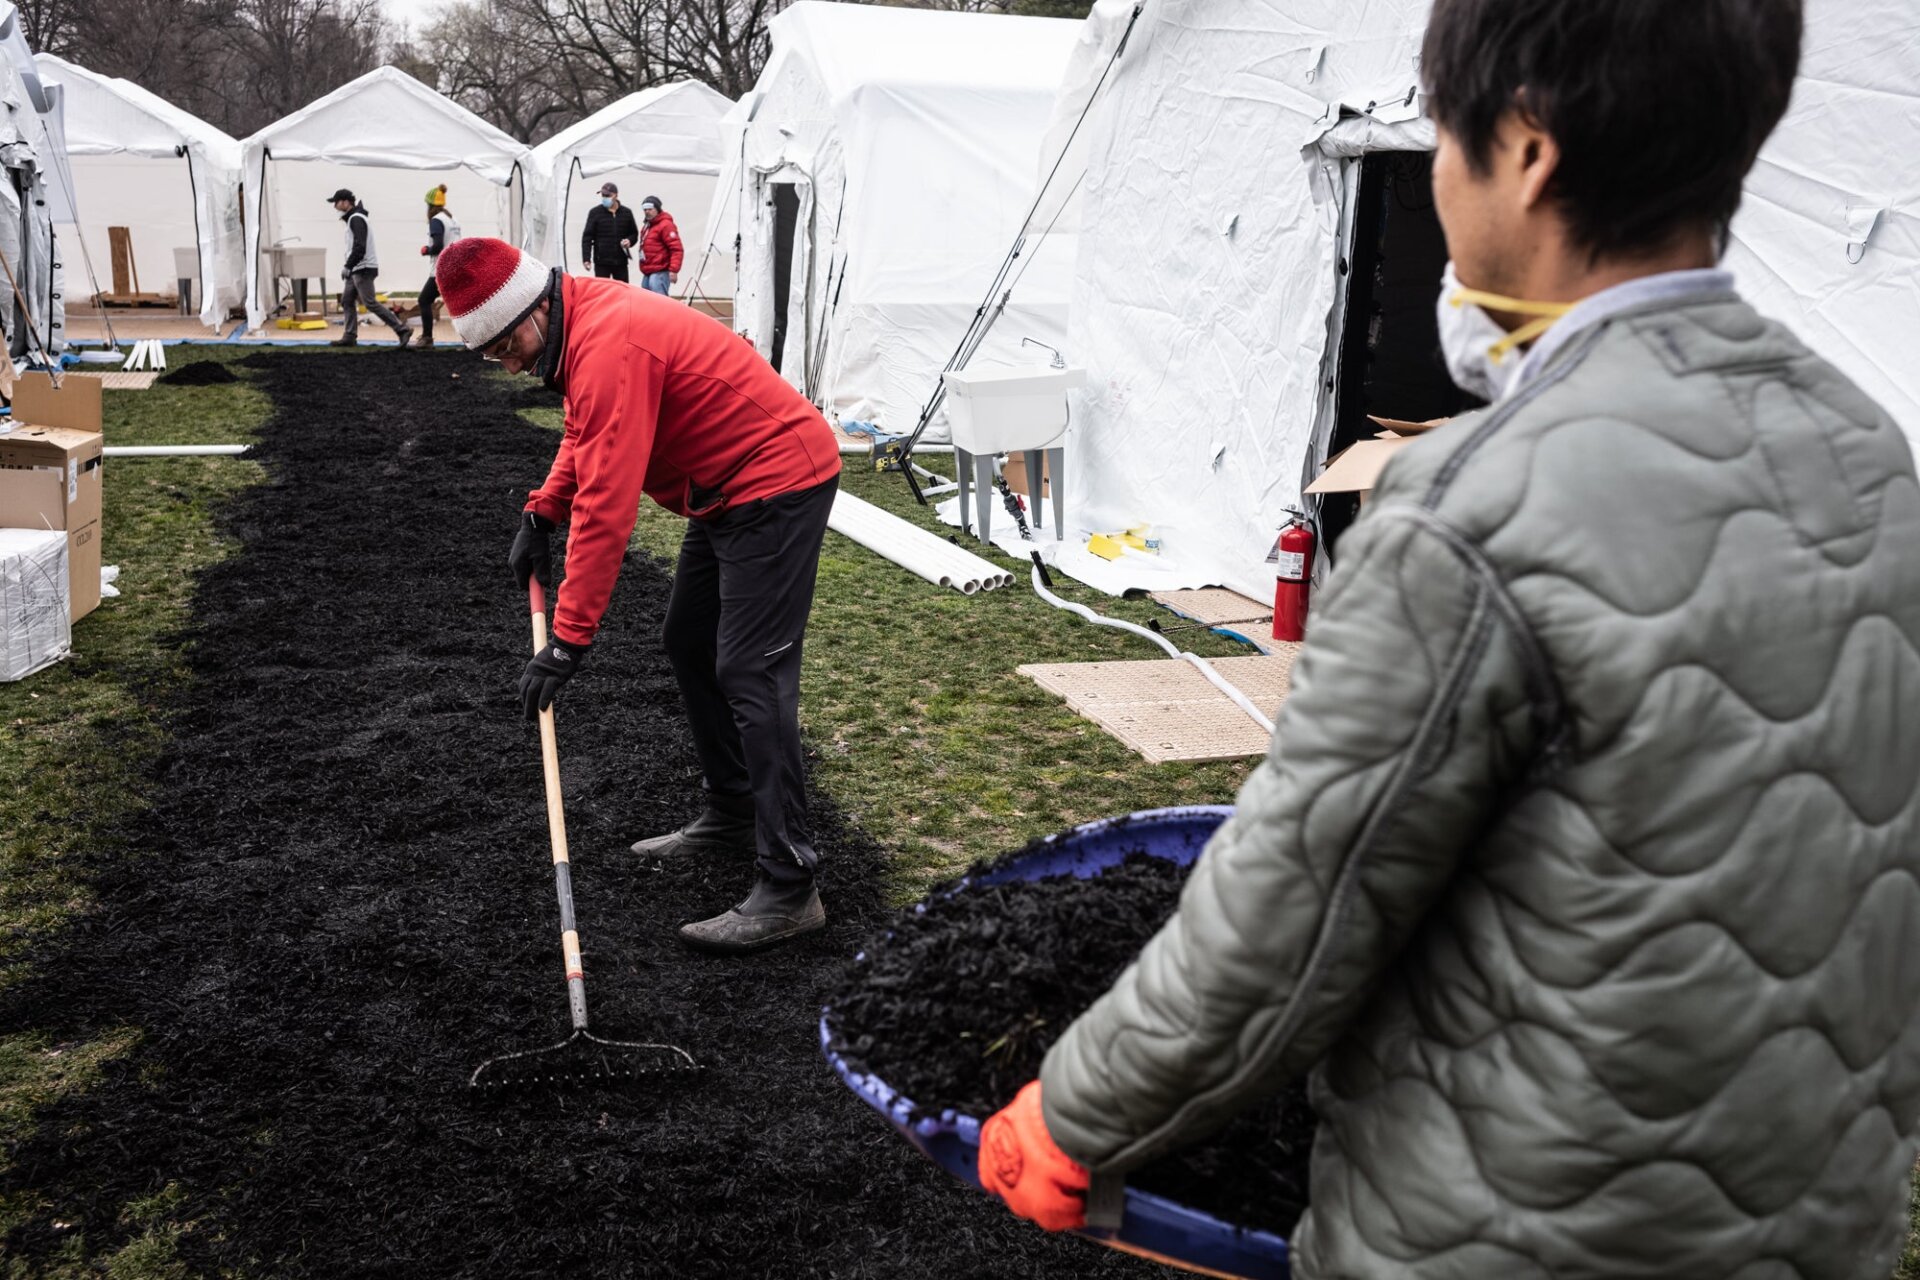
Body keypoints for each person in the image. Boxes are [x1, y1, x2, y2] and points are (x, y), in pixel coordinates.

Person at [977, 1, 1920, 1276]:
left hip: (1513, 1226)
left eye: (1439, 135)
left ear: (1527, 147)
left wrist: (1077, 1109)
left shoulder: (1475, 505)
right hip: (1810, 1218)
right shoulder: (1870, 453)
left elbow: (1290, 914)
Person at [433, 237, 843, 955]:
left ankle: (790, 885)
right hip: (723, 489)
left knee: (752, 671)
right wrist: (541, 510)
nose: (507, 364)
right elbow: (583, 432)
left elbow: (608, 508)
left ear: (530, 311)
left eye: (503, 347)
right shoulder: (576, 325)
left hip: (776, 483)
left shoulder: (610, 343)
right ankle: (734, 809)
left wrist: (567, 638)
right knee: (688, 642)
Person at [327, 189, 412, 349]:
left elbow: (360, 247)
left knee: (370, 303)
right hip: (357, 268)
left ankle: (402, 329)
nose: (335, 207)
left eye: (336, 203)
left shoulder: (356, 219)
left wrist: (348, 266)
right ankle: (350, 335)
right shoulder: (355, 218)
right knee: (346, 300)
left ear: (346, 202)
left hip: (363, 267)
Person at [414, 195, 461, 349]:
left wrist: (426, 249)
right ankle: (473, 340)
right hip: (456, 267)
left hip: (442, 270)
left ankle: (427, 338)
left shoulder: (436, 220)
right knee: (459, 305)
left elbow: (438, 245)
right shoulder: (452, 219)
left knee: (424, 300)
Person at [580, 182, 639, 282]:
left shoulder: (626, 213)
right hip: (601, 262)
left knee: (622, 291)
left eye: (607, 195)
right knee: (602, 292)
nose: (604, 198)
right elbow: (587, 237)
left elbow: (634, 233)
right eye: (603, 195)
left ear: (615, 195)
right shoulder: (595, 212)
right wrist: (586, 259)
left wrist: (629, 241)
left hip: (621, 262)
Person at [636, 195, 682, 297]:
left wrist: (673, 270)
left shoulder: (666, 225)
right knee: (646, 299)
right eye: (645, 209)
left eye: (650, 209)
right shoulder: (647, 226)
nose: (647, 212)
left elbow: (676, 249)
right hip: (648, 270)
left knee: (659, 298)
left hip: (660, 270)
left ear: (657, 209)